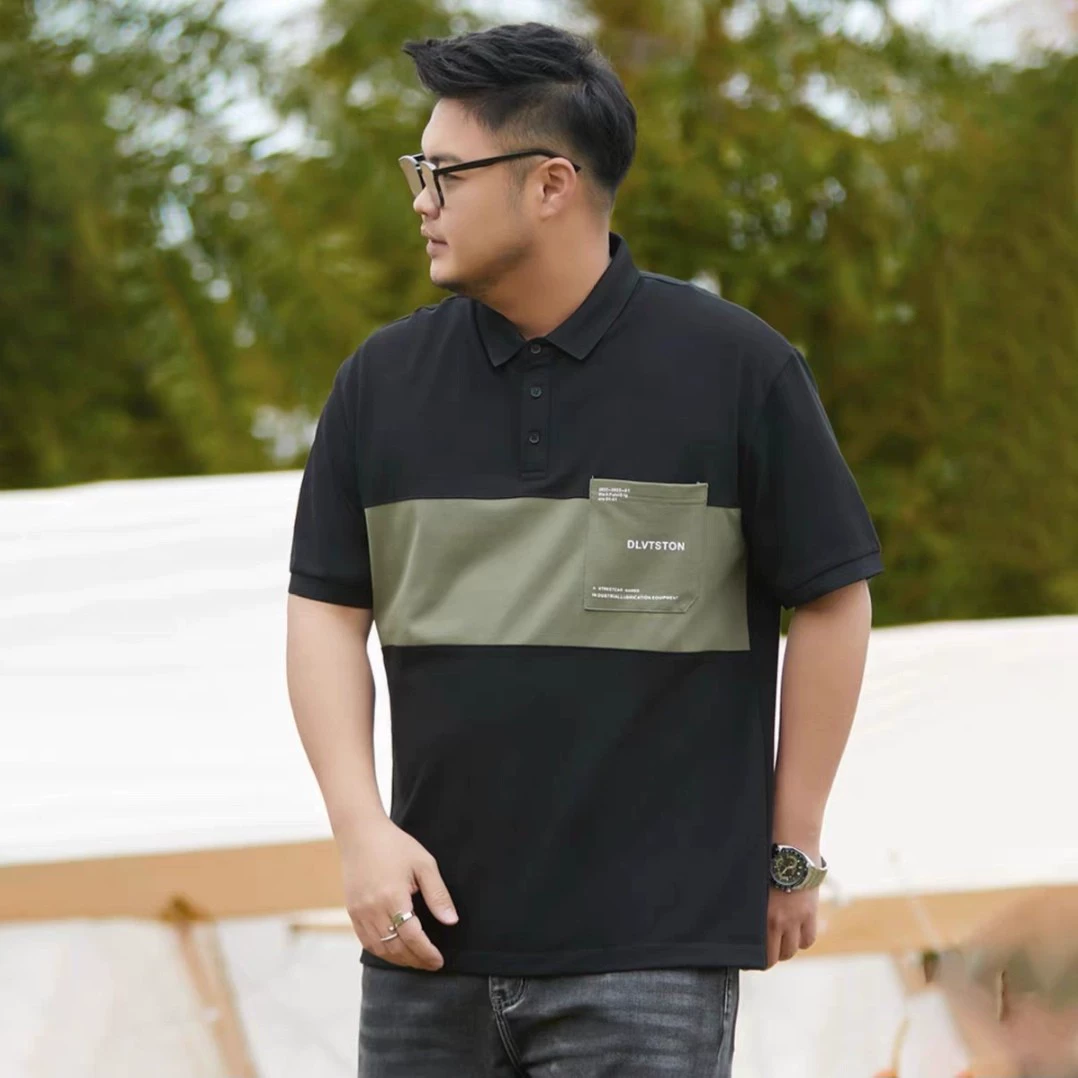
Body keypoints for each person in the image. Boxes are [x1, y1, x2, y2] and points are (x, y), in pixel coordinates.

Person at [285, 20, 882, 1077]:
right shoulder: (378, 384)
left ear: (551, 184)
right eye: (419, 170)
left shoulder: (736, 369)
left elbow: (833, 597)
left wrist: (792, 846)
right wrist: (358, 830)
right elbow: (325, 613)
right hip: (426, 947)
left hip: (652, 956)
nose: (420, 198)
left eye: (443, 171)